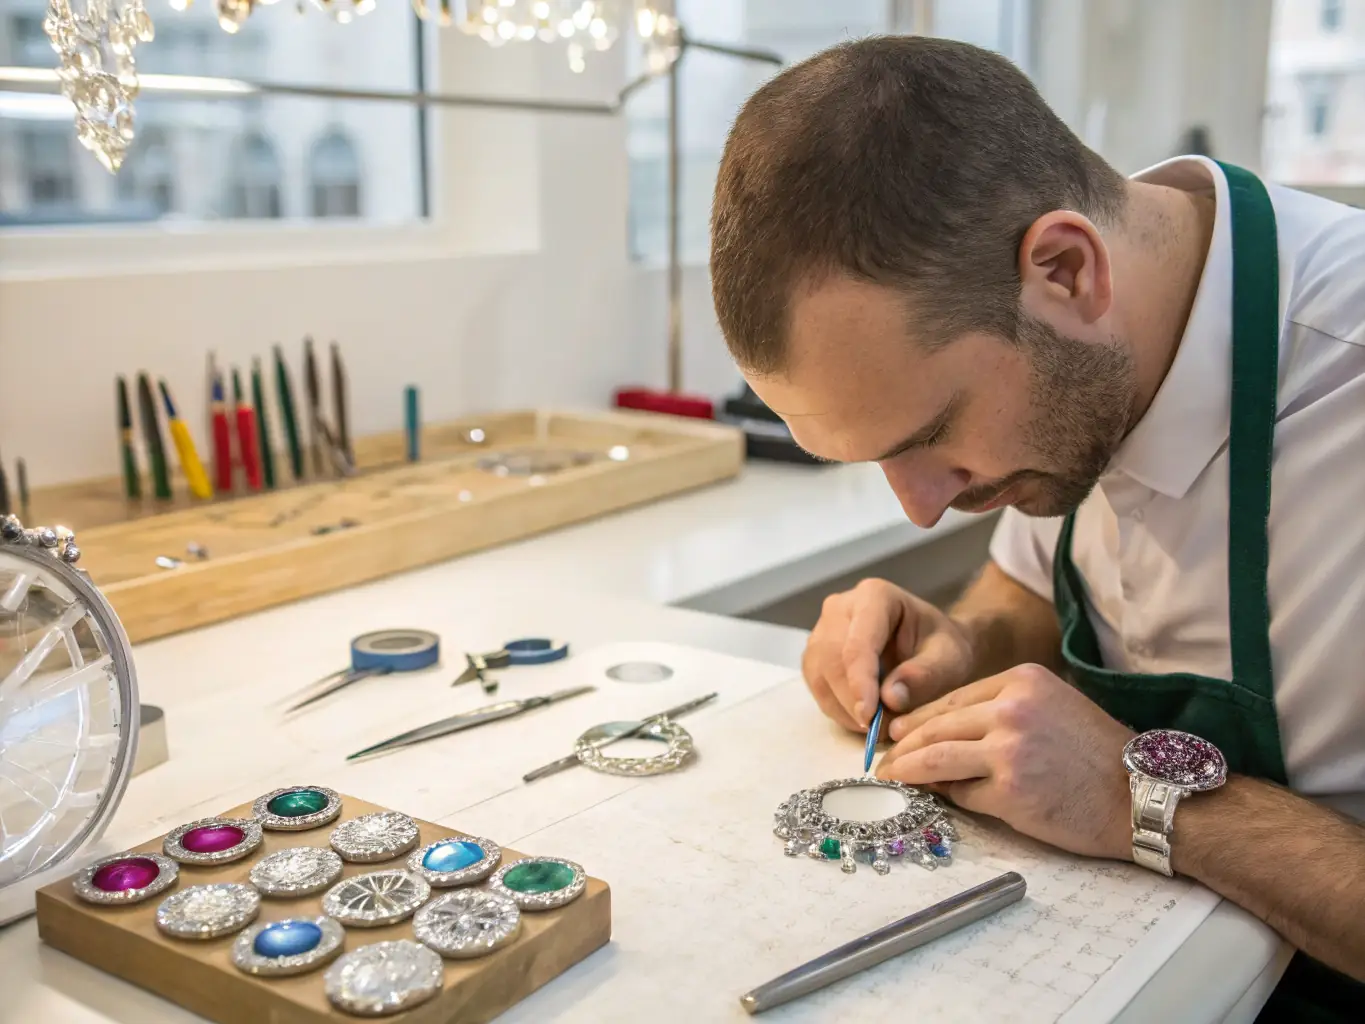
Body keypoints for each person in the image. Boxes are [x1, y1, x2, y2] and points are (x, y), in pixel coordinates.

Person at [709, 35, 1365, 1020]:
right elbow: (1028, 587)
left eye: (932, 433)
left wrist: (1139, 800)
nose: (918, 506)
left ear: (1066, 268)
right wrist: (964, 643)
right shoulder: (1088, 355)